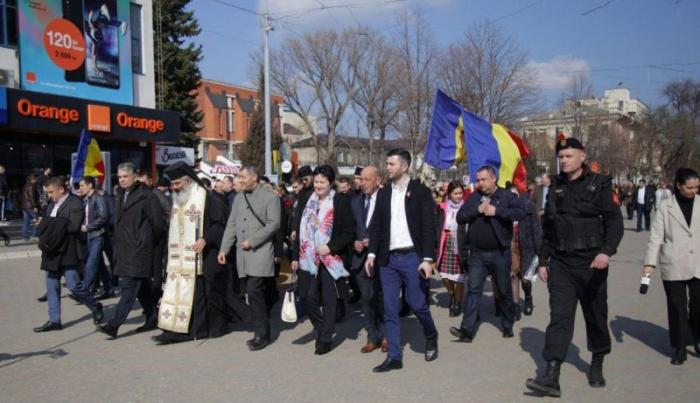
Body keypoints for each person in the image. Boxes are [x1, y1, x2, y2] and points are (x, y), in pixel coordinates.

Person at [525, 138, 624, 398]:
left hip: (592, 262)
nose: (564, 160)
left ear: (582, 156)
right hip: (562, 264)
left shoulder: (600, 184)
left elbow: (614, 221)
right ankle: (551, 375)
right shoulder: (555, 187)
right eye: (561, 156)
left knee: (595, 315)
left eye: (569, 156)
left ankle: (597, 362)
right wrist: (544, 261)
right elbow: (548, 229)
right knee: (559, 318)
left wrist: (606, 251)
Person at [151, 162, 246, 344]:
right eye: (172, 185)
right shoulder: (177, 200)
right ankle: (172, 329)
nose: (174, 188)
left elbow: (221, 225)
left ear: (187, 180)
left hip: (204, 256)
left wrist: (206, 239)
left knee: (200, 297)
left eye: (177, 184)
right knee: (176, 294)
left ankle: (194, 330)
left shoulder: (207, 199)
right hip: (179, 259)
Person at [365, 148, 439, 373]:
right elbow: (377, 226)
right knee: (389, 307)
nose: (387, 167)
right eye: (386, 163)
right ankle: (394, 356)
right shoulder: (384, 192)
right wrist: (372, 254)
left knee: (417, 304)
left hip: (413, 258)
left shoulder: (420, 191)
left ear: (404, 166)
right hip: (388, 260)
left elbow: (429, 226)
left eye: (391, 164)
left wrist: (428, 258)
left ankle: (431, 334)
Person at [450, 167, 525, 343]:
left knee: (504, 291)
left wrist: (496, 212)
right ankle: (466, 330)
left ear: (493, 179)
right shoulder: (474, 197)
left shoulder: (507, 196)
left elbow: (520, 213)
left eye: (483, 180)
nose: (480, 183)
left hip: (499, 253)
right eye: (478, 180)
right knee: (474, 291)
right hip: (477, 254)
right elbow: (461, 217)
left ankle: (507, 325)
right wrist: (477, 209)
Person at [97, 163, 165, 338]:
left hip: (138, 250)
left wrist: (144, 241)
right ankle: (152, 317)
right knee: (141, 287)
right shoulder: (120, 194)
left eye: (125, 176)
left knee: (128, 288)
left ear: (136, 177)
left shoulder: (147, 196)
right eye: (119, 177)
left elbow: (158, 225)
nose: (122, 180)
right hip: (123, 248)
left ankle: (114, 325)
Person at [291, 165, 354, 355]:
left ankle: (326, 337)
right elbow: (298, 231)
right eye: (316, 181)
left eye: (322, 182)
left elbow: (349, 232)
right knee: (307, 297)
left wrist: (331, 247)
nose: (318, 186)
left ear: (330, 183)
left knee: (328, 299)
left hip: (329, 258)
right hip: (308, 257)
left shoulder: (340, 200)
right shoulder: (306, 198)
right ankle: (320, 327)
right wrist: (295, 256)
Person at [218, 165, 281, 351]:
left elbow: (273, 224)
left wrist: (252, 241)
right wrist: (224, 249)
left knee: (254, 291)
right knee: (251, 293)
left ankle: (262, 335)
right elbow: (231, 225)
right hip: (242, 255)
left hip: (260, 252)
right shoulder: (239, 198)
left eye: (243, 176)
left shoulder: (270, 197)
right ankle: (260, 330)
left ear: (254, 177)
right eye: (239, 176)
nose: (240, 179)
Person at [643, 168, 700, 365]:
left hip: (698, 263)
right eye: (689, 187)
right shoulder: (666, 207)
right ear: (678, 185)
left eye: (697, 187)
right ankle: (680, 347)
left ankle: (697, 338)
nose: (694, 191)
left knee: (698, 305)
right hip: (673, 263)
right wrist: (649, 264)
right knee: (677, 307)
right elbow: (656, 237)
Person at [34, 177, 104, 332]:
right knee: (52, 285)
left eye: (51, 192)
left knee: (74, 285)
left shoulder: (75, 203)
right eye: (47, 193)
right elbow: (53, 223)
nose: (49, 196)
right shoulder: (52, 204)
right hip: (51, 250)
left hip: (68, 250)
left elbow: (73, 227)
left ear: (61, 189)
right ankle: (55, 321)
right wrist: (43, 224)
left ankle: (95, 306)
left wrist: (45, 223)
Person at [351, 166, 387, 353]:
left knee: (381, 298)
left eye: (366, 179)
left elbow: (392, 230)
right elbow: (349, 228)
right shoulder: (355, 201)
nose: (361, 182)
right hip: (359, 259)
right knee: (366, 300)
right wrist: (354, 243)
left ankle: (386, 335)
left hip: (381, 258)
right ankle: (373, 336)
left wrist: (373, 241)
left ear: (378, 180)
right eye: (360, 179)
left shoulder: (386, 200)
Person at [507, 183, 542, 318]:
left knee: (525, 278)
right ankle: (515, 306)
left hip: (527, 245)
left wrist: (540, 251)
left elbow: (537, 229)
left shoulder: (528, 207)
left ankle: (528, 297)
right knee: (513, 275)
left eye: (515, 195)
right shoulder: (505, 209)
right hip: (512, 245)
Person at [435, 180, 468, 317]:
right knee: (444, 275)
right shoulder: (442, 207)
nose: (459, 196)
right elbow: (437, 225)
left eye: (460, 193)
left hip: (460, 243)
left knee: (459, 276)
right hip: (446, 242)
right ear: (449, 194)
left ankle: (457, 303)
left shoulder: (467, 208)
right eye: (455, 193)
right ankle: (452, 294)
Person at [77, 176, 111, 297]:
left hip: (97, 235)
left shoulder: (98, 198)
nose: (80, 188)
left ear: (90, 185)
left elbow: (103, 217)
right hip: (90, 236)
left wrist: (88, 227)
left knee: (91, 263)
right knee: (100, 264)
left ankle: (84, 291)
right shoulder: (87, 199)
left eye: (82, 185)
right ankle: (109, 289)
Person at [20, 174, 39, 240]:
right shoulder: (32, 186)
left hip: (25, 207)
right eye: (35, 179)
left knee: (26, 221)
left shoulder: (25, 186)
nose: (36, 180)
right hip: (31, 206)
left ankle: (25, 235)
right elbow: (32, 197)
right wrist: (35, 206)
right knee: (37, 220)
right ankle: (35, 234)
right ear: (32, 180)